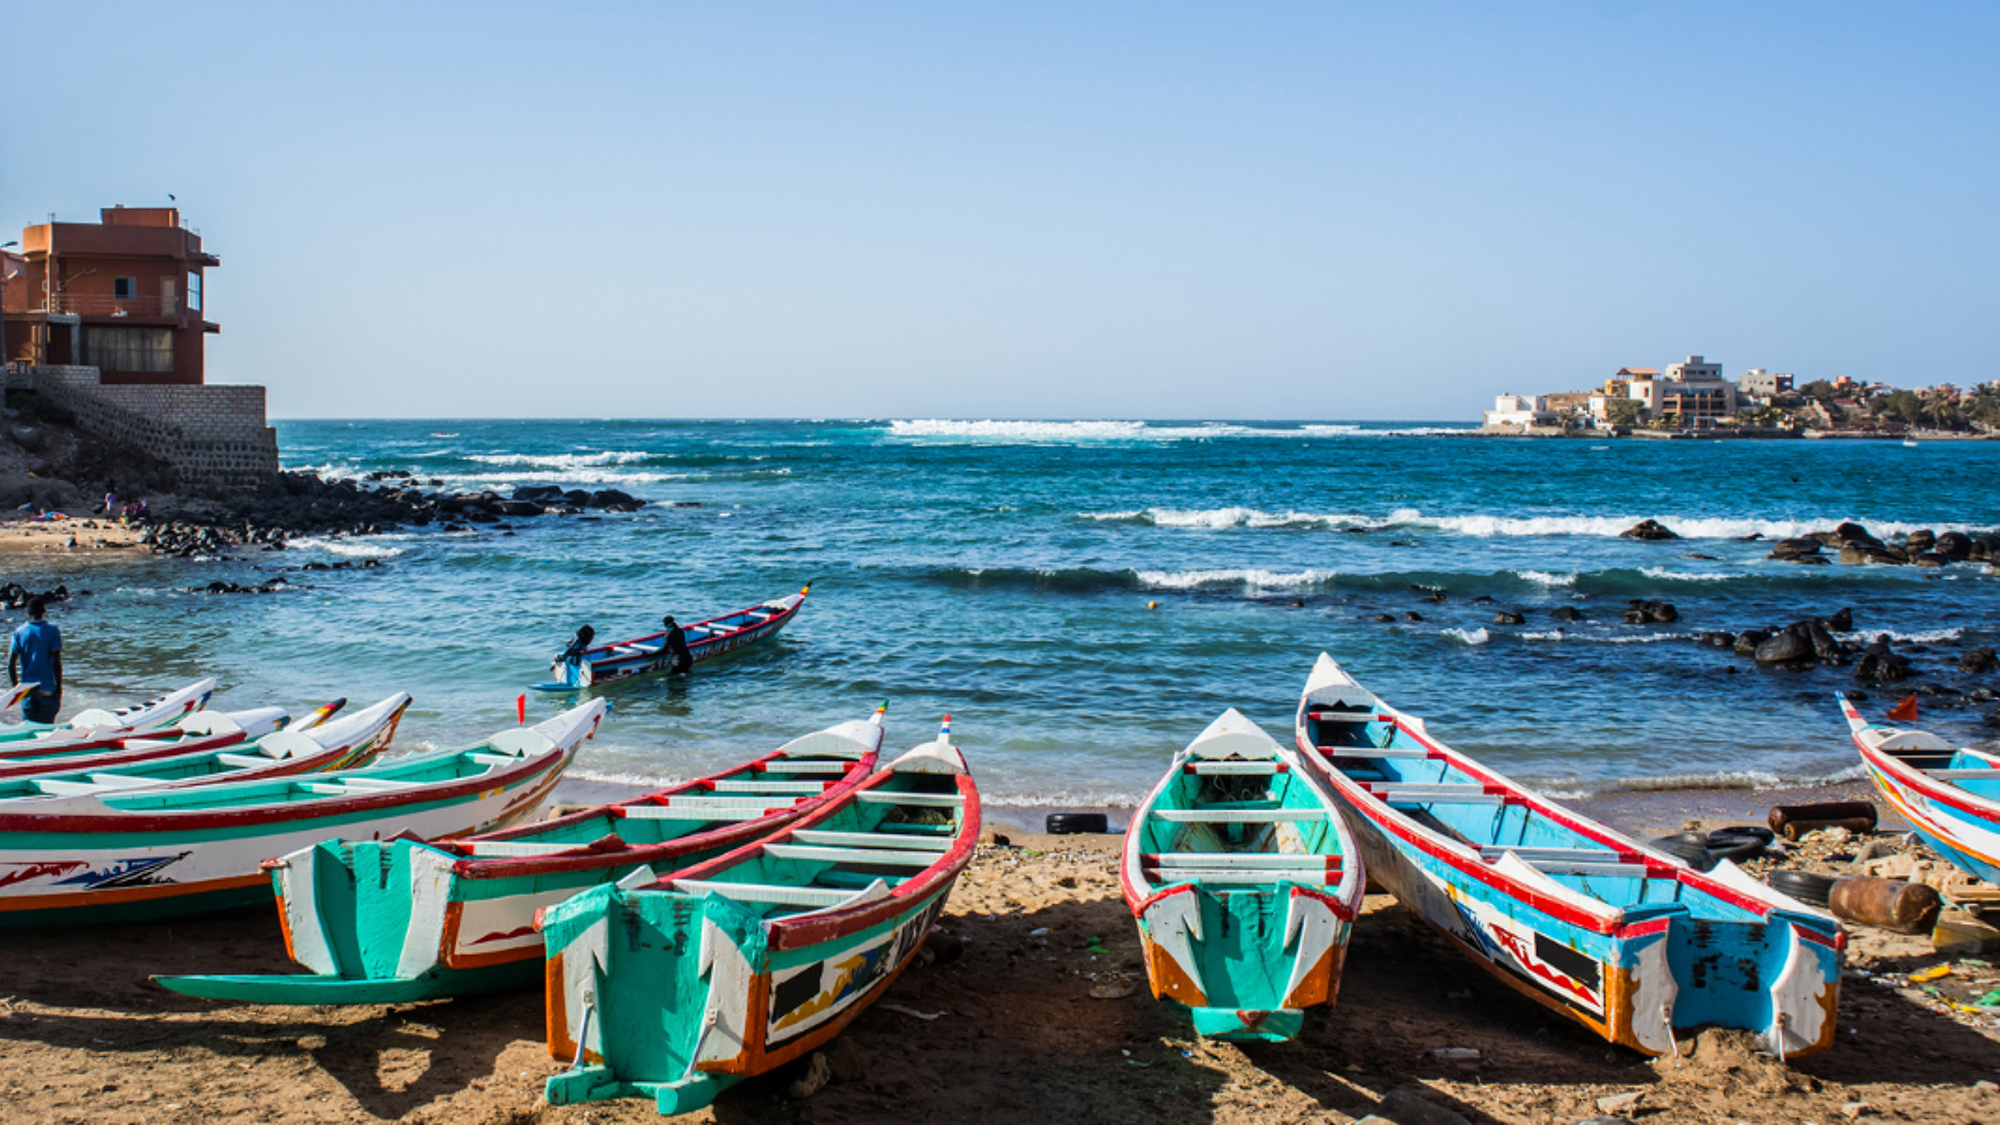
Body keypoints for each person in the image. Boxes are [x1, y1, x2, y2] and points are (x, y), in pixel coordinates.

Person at [8, 597, 63, 724]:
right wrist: (59, 688)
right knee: (46, 729)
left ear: (28, 612)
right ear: (44, 611)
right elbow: (56, 663)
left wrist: (16, 689)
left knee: (30, 728)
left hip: (27, 689)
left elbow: (11, 664)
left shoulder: (20, 632)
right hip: (47, 687)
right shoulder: (52, 631)